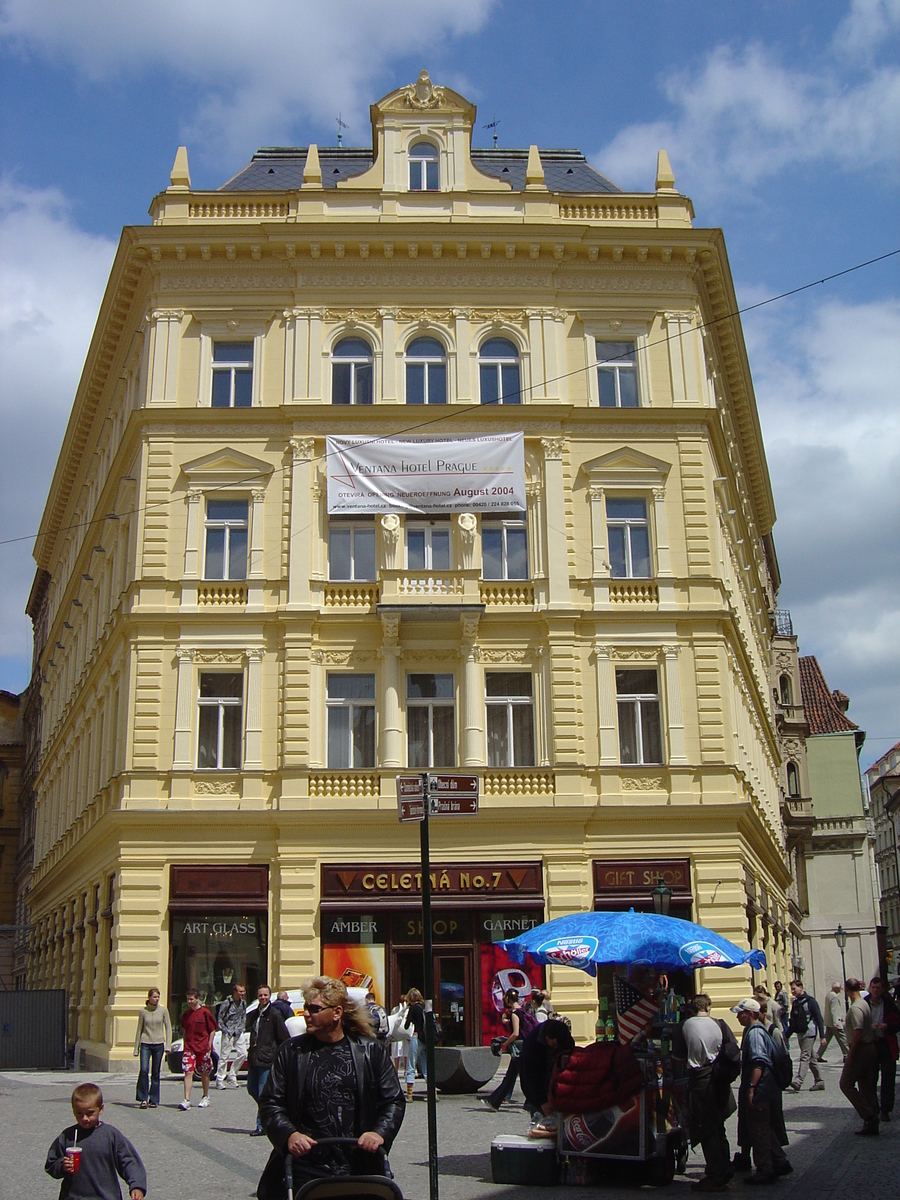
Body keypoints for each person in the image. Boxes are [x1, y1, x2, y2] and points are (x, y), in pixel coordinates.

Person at [255, 975, 405, 1198]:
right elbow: (270, 1103)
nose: (306, 1013)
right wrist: (289, 1135)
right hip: (305, 1169)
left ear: (337, 1013)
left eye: (314, 1008)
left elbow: (393, 1100)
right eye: (306, 1007)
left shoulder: (371, 1052)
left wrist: (379, 1133)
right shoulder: (291, 1052)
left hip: (358, 1166)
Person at [45, 1082, 147, 1200]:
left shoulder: (110, 1135)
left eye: (90, 1113)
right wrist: (62, 1166)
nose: (85, 1118)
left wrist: (137, 1186)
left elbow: (129, 1161)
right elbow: (51, 1163)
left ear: (101, 1109)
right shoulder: (68, 1136)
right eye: (79, 1113)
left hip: (105, 1196)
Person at [732, 998, 792, 1185]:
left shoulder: (755, 1034)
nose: (737, 1017)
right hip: (767, 1088)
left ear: (750, 1014)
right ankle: (780, 1162)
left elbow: (759, 1061)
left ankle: (765, 1169)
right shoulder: (755, 1031)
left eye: (740, 1013)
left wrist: (751, 1087)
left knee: (759, 1130)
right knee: (765, 1127)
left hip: (761, 1089)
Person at [682, 994, 736, 1192]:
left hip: (701, 1080)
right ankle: (725, 1166)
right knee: (718, 1125)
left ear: (692, 1008)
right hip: (719, 1079)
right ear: (709, 1006)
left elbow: (678, 1054)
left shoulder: (686, 1025)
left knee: (706, 1128)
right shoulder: (720, 1024)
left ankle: (714, 1174)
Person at [484, 987, 537, 1109]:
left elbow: (516, 1033)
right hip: (523, 1046)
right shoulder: (523, 1011)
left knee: (524, 1077)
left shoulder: (515, 1014)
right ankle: (494, 1101)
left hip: (518, 1047)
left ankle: (531, 1102)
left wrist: (505, 1043)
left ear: (508, 999)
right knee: (511, 1076)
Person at [248, 984, 290, 1135]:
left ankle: (262, 1125)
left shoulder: (275, 1015)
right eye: (260, 995)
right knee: (251, 1089)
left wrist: (278, 1057)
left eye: (265, 995)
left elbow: (284, 1038)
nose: (263, 998)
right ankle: (271, 1111)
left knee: (261, 1093)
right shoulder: (255, 1014)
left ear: (269, 996)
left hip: (267, 1059)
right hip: (254, 1058)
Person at [840, 977, 879, 1135]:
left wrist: (850, 1054)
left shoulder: (856, 1007)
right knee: (866, 1085)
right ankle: (872, 1119)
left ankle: (869, 1114)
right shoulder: (864, 1003)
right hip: (869, 1048)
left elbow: (858, 1032)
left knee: (846, 1084)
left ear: (847, 990)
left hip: (861, 1049)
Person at [518, 1018, 574, 1125]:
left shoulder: (564, 1038)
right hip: (537, 1093)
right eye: (553, 1045)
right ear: (547, 1037)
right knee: (540, 1124)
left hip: (559, 1092)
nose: (556, 1048)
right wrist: (541, 1101)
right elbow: (529, 1077)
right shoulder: (532, 1043)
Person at [865, 976, 899, 1124]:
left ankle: (886, 1109)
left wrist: (888, 1027)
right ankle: (873, 1108)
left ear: (883, 989)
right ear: (870, 988)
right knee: (871, 1078)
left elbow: (898, 1024)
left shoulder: (889, 1004)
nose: (876, 990)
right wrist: (868, 1029)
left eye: (878, 988)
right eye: (873, 988)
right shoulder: (865, 1003)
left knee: (888, 1077)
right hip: (871, 1044)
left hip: (886, 1044)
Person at [133, 986, 171, 1109]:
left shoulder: (163, 1011)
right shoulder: (143, 1011)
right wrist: (136, 1047)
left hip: (159, 1044)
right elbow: (139, 1029)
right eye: (154, 997)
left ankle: (153, 1099)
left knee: (155, 1072)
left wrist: (168, 1045)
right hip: (145, 1042)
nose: (157, 999)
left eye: (158, 996)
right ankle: (143, 1098)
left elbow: (168, 1028)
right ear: (149, 998)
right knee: (144, 1070)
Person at [179, 987, 218, 1110]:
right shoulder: (186, 1014)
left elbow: (212, 1030)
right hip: (189, 1047)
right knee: (188, 1071)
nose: (189, 1002)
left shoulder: (205, 1013)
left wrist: (209, 1045)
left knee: (204, 1072)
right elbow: (185, 1030)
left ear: (197, 999)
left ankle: (205, 1096)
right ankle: (186, 1099)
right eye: (188, 999)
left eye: (191, 999)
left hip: (203, 1047)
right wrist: (185, 1044)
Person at [787, 979, 826, 1091]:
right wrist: (787, 1035)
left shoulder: (811, 1001)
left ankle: (798, 1081)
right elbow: (793, 1021)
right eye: (792, 989)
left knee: (805, 1056)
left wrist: (822, 1036)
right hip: (800, 1033)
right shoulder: (795, 1002)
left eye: (794, 988)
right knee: (812, 1058)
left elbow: (819, 1018)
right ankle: (819, 1081)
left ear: (801, 987)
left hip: (810, 1033)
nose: (793, 991)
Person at [215, 982, 247, 1089]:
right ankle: (220, 1079)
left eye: (243, 991)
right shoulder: (227, 1003)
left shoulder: (243, 1003)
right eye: (240, 991)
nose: (242, 994)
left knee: (243, 1054)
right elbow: (220, 1018)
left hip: (238, 1032)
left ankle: (232, 1075)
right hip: (228, 1031)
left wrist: (241, 1028)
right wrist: (224, 1030)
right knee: (224, 1056)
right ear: (235, 992)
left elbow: (243, 1017)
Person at [403, 987, 428, 1101]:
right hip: (426, 1039)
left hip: (416, 1037)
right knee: (426, 1066)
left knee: (411, 1064)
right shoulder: (425, 1007)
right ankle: (433, 1094)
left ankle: (409, 1094)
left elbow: (406, 1026)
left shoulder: (413, 1008)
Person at [817, 982, 849, 1063]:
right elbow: (834, 1010)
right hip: (834, 1023)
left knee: (826, 1039)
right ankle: (847, 1055)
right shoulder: (834, 997)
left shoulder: (829, 995)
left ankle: (818, 1055)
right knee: (843, 1039)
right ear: (837, 988)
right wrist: (836, 1022)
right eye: (840, 988)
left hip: (829, 1022)